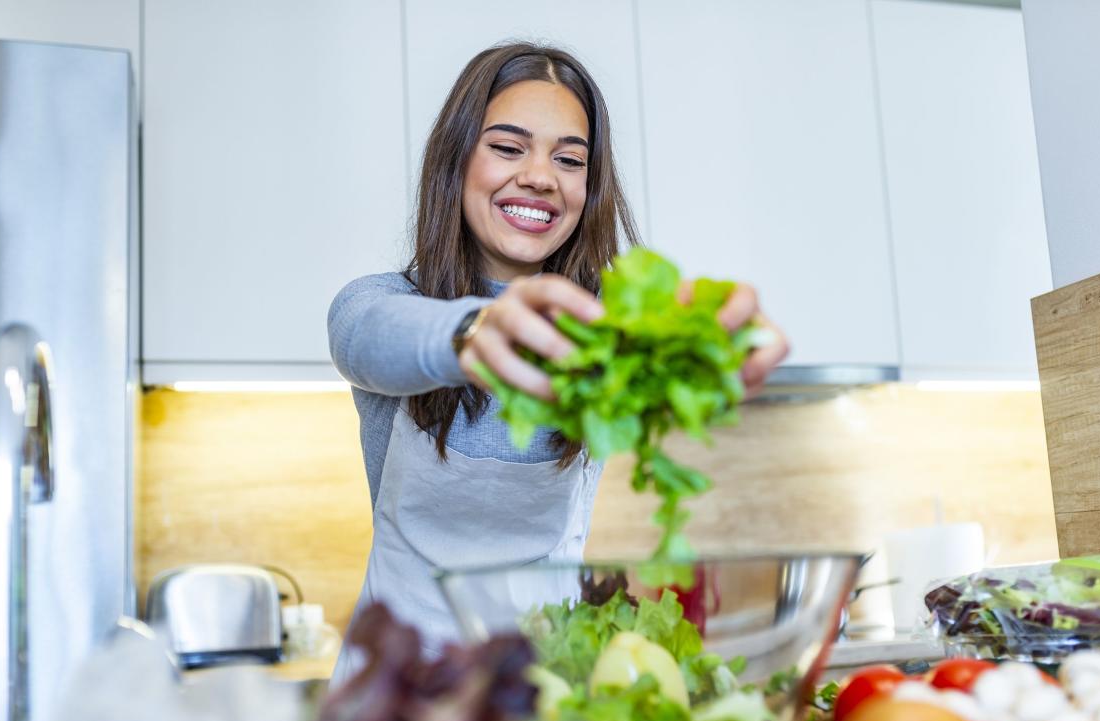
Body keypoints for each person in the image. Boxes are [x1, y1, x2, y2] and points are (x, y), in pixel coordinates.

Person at [327, 42, 789, 682]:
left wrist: (720, 345)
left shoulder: (605, 334)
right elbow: (366, 337)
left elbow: (706, 354)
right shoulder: (386, 304)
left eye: (569, 159)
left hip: (542, 691)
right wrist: (475, 329)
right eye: (508, 148)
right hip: (394, 703)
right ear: (456, 162)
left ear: (588, 187)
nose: (540, 176)